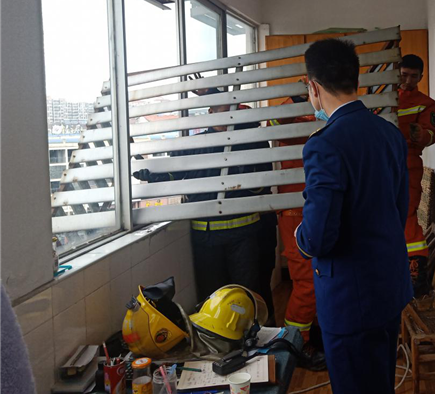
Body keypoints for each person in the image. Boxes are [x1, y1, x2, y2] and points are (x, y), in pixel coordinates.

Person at [295, 38, 412, 393]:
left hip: (349, 299)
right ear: (355, 79)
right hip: (388, 288)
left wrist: (301, 234)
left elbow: (318, 238)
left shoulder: (324, 144)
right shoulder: (389, 133)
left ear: (314, 88)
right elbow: (399, 209)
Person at [133, 95, 276, 319]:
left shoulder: (251, 142)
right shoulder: (195, 144)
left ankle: (256, 338)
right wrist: (152, 174)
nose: (221, 116)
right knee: (213, 300)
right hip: (206, 238)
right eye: (217, 110)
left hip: (243, 234)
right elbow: (174, 171)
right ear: (209, 112)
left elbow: (263, 185)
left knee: (247, 298)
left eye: (226, 111)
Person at [268, 91, 326, 370]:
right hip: (295, 210)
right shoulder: (288, 112)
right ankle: (296, 343)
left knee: (318, 277)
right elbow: (273, 124)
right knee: (307, 282)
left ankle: (311, 335)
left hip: (315, 205)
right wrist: (295, 100)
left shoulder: (323, 113)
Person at [397, 54, 435, 297]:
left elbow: (431, 135)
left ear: (421, 77)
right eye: (404, 75)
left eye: (414, 76)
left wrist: (421, 135)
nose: (408, 80)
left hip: (408, 162)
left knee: (407, 213)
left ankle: (416, 273)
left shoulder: (426, 103)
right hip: (379, 163)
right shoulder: (381, 96)